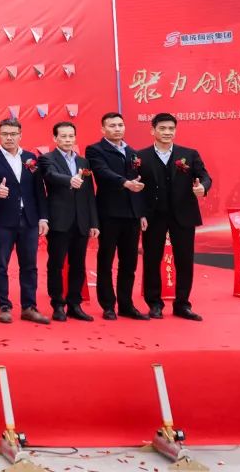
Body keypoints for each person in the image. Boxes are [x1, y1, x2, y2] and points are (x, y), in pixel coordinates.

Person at [136, 113, 212, 321]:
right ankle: (154, 304)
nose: (167, 132)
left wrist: (203, 188)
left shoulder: (189, 154)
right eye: (162, 128)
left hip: (183, 215)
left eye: (171, 128)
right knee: (152, 259)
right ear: (153, 130)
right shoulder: (140, 157)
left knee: (184, 260)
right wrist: (140, 213)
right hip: (153, 216)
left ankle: (182, 304)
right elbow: (136, 188)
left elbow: (205, 176)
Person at [0, 118, 50, 324]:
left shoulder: (31, 158)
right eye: (5, 134)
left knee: (30, 265)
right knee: (0, 264)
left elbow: (39, 191)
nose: (9, 137)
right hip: (3, 220)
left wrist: (43, 217)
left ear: (20, 135)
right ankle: (4, 306)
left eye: (13, 134)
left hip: (29, 219)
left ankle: (29, 307)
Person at [86, 112, 148, 321]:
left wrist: (141, 213)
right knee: (106, 260)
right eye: (112, 125)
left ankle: (126, 304)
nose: (117, 129)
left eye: (120, 125)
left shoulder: (132, 152)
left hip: (131, 215)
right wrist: (125, 183)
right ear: (103, 129)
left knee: (129, 262)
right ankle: (108, 305)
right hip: (109, 213)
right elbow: (102, 172)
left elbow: (139, 183)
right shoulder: (95, 150)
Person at [39, 122, 99, 321]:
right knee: (56, 264)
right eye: (63, 136)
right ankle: (57, 304)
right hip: (59, 220)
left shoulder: (83, 162)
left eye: (71, 136)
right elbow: (50, 175)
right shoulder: (47, 159)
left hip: (81, 221)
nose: (67, 140)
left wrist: (94, 222)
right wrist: (69, 180)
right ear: (55, 138)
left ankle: (75, 304)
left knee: (78, 264)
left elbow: (89, 193)